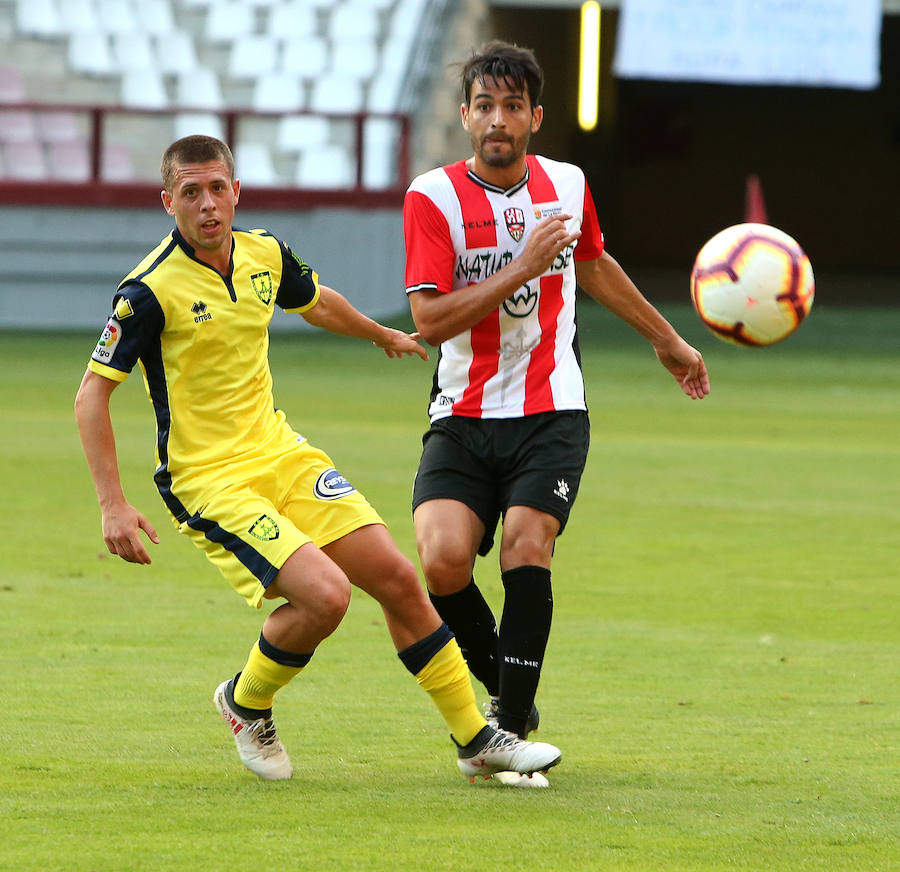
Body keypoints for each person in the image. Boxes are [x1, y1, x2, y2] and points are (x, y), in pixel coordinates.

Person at [74, 134, 562, 784]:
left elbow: (316, 300)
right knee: (326, 598)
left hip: (282, 454)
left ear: (236, 191)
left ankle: (477, 740)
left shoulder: (264, 253)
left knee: (396, 578)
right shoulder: (147, 291)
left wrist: (381, 333)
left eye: (217, 188)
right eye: (191, 192)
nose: (208, 204)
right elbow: (91, 395)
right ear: (169, 202)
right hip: (209, 481)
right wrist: (112, 503)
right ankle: (246, 702)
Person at [402, 42, 710, 780]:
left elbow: (594, 263)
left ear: (535, 117)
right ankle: (509, 692)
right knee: (441, 561)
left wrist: (665, 339)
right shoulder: (432, 197)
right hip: (463, 412)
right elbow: (430, 321)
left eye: (512, 107)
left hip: (551, 410)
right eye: (484, 106)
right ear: (465, 115)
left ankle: (507, 732)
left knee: (526, 544)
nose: (497, 120)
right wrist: (524, 266)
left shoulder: (567, 185)